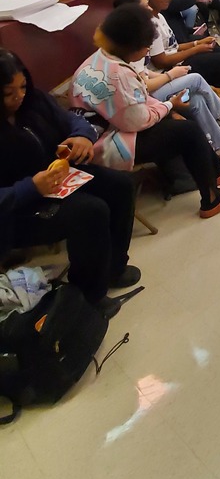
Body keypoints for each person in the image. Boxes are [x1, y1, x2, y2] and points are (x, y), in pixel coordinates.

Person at [70, 5, 220, 219]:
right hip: (107, 145)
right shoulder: (119, 75)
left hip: (110, 127)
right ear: (130, 45)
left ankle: (217, 170)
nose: (147, 51)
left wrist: (167, 109)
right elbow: (138, 121)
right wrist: (170, 106)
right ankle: (211, 199)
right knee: (188, 131)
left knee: (182, 116)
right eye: (145, 46)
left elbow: (137, 102)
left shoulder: (99, 58)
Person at [0, 49, 138, 318]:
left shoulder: (33, 101)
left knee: (120, 186)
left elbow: (71, 119)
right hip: (16, 209)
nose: (19, 96)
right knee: (90, 212)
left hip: (55, 179)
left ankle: (114, 267)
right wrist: (31, 188)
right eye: (8, 93)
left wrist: (81, 135)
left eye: (23, 86)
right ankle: (88, 297)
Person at [113, 0, 220, 157]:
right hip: (147, 100)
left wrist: (176, 72)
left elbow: (145, 72)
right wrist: (171, 75)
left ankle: (219, 144)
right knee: (196, 79)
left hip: (155, 86)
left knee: (196, 99)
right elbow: (144, 86)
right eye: (144, 6)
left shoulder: (142, 30)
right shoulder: (130, 41)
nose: (149, 9)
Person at [144, 0, 220, 106]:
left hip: (175, 60)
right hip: (168, 69)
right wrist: (195, 50)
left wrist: (197, 44)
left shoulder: (160, 16)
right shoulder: (149, 23)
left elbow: (173, 47)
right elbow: (161, 61)